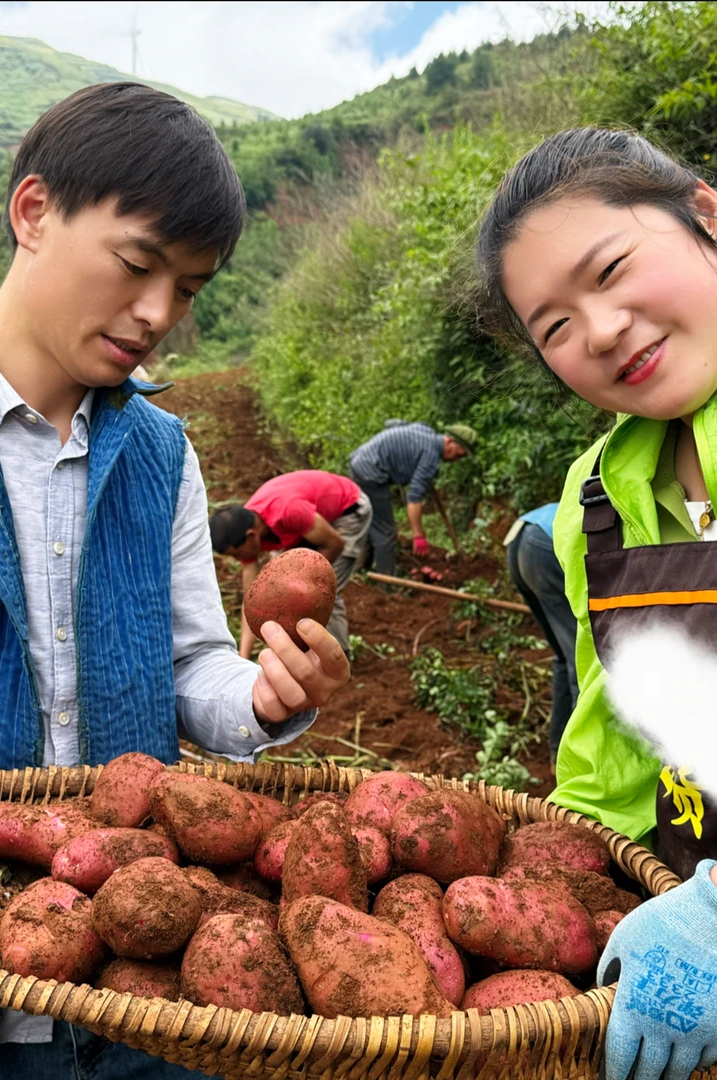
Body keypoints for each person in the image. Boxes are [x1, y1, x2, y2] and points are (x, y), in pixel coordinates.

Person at [0, 83, 351, 1078]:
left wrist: (266, 698)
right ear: (34, 213)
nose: (158, 315)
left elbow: (192, 664)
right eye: (138, 265)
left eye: (188, 289)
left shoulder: (161, 452)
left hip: (137, 984)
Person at [476, 126, 717, 1080]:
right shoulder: (594, 500)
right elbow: (611, 749)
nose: (604, 331)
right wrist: (548, 879)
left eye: (612, 269)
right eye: (556, 327)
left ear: (706, 216)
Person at [209, 470, 372, 656]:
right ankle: (304, 650)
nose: (239, 560)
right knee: (284, 588)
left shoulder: (288, 511)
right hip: (309, 521)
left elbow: (334, 544)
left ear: (251, 536)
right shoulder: (244, 531)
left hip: (348, 508)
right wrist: (243, 656)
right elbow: (250, 600)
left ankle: (338, 657)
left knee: (321, 594)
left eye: (237, 555)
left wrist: (308, 582)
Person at [348, 419, 477, 575]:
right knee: (386, 533)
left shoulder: (424, 429)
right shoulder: (430, 457)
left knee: (373, 522)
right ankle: (387, 584)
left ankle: (359, 571)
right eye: (459, 454)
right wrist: (419, 536)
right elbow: (414, 498)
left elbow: (392, 423)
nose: (457, 460)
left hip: (359, 461)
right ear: (450, 441)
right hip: (370, 474)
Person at [503, 503, 579, 763]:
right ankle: (580, 763)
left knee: (564, 656)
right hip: (545, 546)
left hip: (520, 537)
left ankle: (558, 754)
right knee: (582, 661)